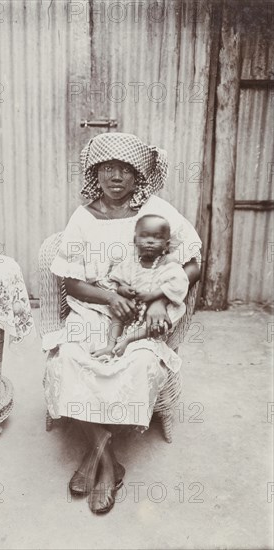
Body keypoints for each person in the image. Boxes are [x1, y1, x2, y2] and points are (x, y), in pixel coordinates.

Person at [42, 132, 201, 514]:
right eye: (107, 168)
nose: (116, 177)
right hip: (92, 308)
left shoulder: (156, 209)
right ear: (95, 173)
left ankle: (93, 461)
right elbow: (71, 281)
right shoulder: (83, 216)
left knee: (139, 360)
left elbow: (193, 261)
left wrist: (162, 299)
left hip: (145, 314)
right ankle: (109, 463)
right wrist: (110, 298)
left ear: (138, 175)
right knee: (70, 358)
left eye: (125, 170)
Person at [91, 214, 189, 360]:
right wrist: (123, 289)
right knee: (118, 314)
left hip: (159, 308)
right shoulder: (131, 263)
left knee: (158, 324)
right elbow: (117, 280)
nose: (150, 241)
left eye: (157, 237)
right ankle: (110, 346)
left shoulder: (168, 262)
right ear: (135, 241)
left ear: (166, 245)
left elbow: (178, 283)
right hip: (135, 305)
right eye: (144, 236)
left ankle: (128, 340)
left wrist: (153, 295)